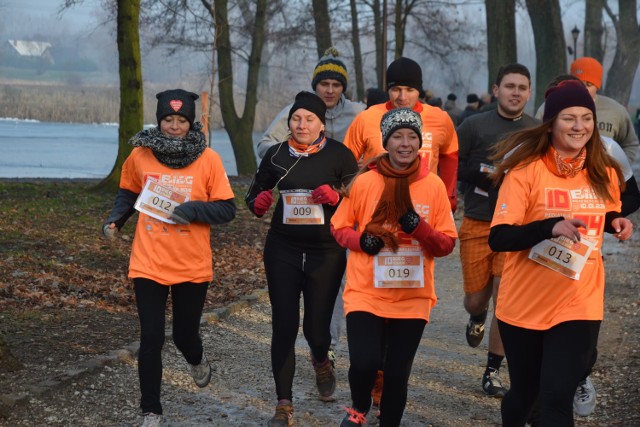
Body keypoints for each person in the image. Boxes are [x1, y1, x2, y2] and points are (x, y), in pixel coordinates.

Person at [487, 80, 633, 426]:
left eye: (586, 118)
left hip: (578, 301)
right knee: (525, 392)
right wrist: (549, 227)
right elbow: (499, 238)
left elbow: (607, 210)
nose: (579, 126)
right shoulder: (525, 170)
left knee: (556, 398)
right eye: (569, 118)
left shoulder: (604, 169)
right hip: (524, 303)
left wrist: (616, 222)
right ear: (550, 123)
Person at [102, 89, 237, 427]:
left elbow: (227, 209)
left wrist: (193, 209)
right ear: (159, 120)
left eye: (181, 120)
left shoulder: (208, 159)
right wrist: (116, 219)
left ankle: (197, 358)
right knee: (151, 338)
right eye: (168, 120)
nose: (174, 126)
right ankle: (151, 410)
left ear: (191, 123)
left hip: (191, 264)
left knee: (183, 336)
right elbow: (129, 191)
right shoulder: (141, 154)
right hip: (148, 259)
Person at [331, 108, 458, 426]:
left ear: (420, 142)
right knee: (364, 362)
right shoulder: (365, 181)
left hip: (412, 295)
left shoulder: (434, 186)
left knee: (398, 372)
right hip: (366, 291)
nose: (405, 143)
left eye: (412, 136)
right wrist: (363, 242)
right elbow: (339, 227)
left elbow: (445, 244)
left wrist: (419, 228)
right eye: (397, 136)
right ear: (386, 142)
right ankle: (359, 408)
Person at [245, 91, 358, 427]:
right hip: (283, 248)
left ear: (322, 124)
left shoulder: (340, 156)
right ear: (289, 122)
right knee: (283, 325)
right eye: (296, 118)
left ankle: (321, 359)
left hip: (327, 250)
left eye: (309, 119)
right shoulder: (277, 155)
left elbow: (360, 204)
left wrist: (337, 198)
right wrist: (258, 204)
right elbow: (254, 195)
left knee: (316, 329)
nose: (302, 124)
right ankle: (284, 404)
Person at [457, 63, 539, 398]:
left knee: (505, 300)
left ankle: (492, 371)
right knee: (478, 297)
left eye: (522, 87)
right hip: (478, 221)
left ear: (529, 92)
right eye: (509, 86)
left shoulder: (538, 130)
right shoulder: (473, 125)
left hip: (517, 226)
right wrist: (475, 173)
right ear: (496, 90)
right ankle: (476, 315)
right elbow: (451, 164)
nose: (515, 92)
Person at [343, 57, 459, 212]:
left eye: (410, 90)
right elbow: (345, 161)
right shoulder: (367, 118)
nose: (402, 97)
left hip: (424, 207)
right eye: (396, 89)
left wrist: (448, 196)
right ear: (388, 90)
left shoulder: (440, 119)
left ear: (419, 90)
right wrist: (352, 195)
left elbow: (450, 156)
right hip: (375, 207)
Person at [256, 47, 365, 158]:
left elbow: (378, 146)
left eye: (336, 85)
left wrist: (366, 158)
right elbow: (263, 146)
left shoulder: (359, 113)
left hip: (347, 174)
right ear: (315, 86)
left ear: (343, 88)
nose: (330, 91)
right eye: (324, 84)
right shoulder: (296, 112)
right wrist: (294, 154)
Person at [535, 57, 639, 164]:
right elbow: (537, 140)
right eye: (579, 84)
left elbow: (630, 143)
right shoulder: (548, 107)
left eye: (589, 84)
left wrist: (620, 168)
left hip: (602, 175)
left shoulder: (616, 111)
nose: (583, 89)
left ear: (597, 86)